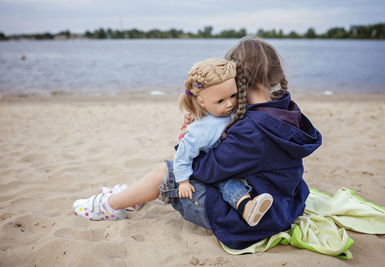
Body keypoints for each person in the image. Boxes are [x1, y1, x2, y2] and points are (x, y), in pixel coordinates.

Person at [72, 36, 322, 250]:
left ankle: (108, 206)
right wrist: (204, 124)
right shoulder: (284, 108)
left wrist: (190, 139)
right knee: (170, 173)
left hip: (251, 219)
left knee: (167, 173)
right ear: (275, 74)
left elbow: (208, 170)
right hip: (286, 204)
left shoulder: (251, 131)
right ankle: (132, 194)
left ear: (235, 78)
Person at [174, 58, 273, 227]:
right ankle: (246, 208)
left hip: (232, 161)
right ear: (202, 101)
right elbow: (182, 155)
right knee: (228, 184)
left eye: (233, 96)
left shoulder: (231, 111)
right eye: (220, 101)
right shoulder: (199, 132)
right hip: (215, 168)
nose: (229, 104)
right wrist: (183, 181)